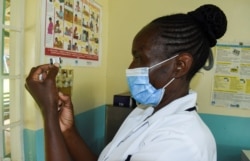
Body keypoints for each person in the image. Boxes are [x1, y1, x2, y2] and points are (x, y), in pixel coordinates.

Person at [25, 4, 227, 161]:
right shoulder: (144, 112)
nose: (131, 67)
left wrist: (49, 112)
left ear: (180, 65)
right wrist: (67, 130)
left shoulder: (181, 143)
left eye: (140, 57)